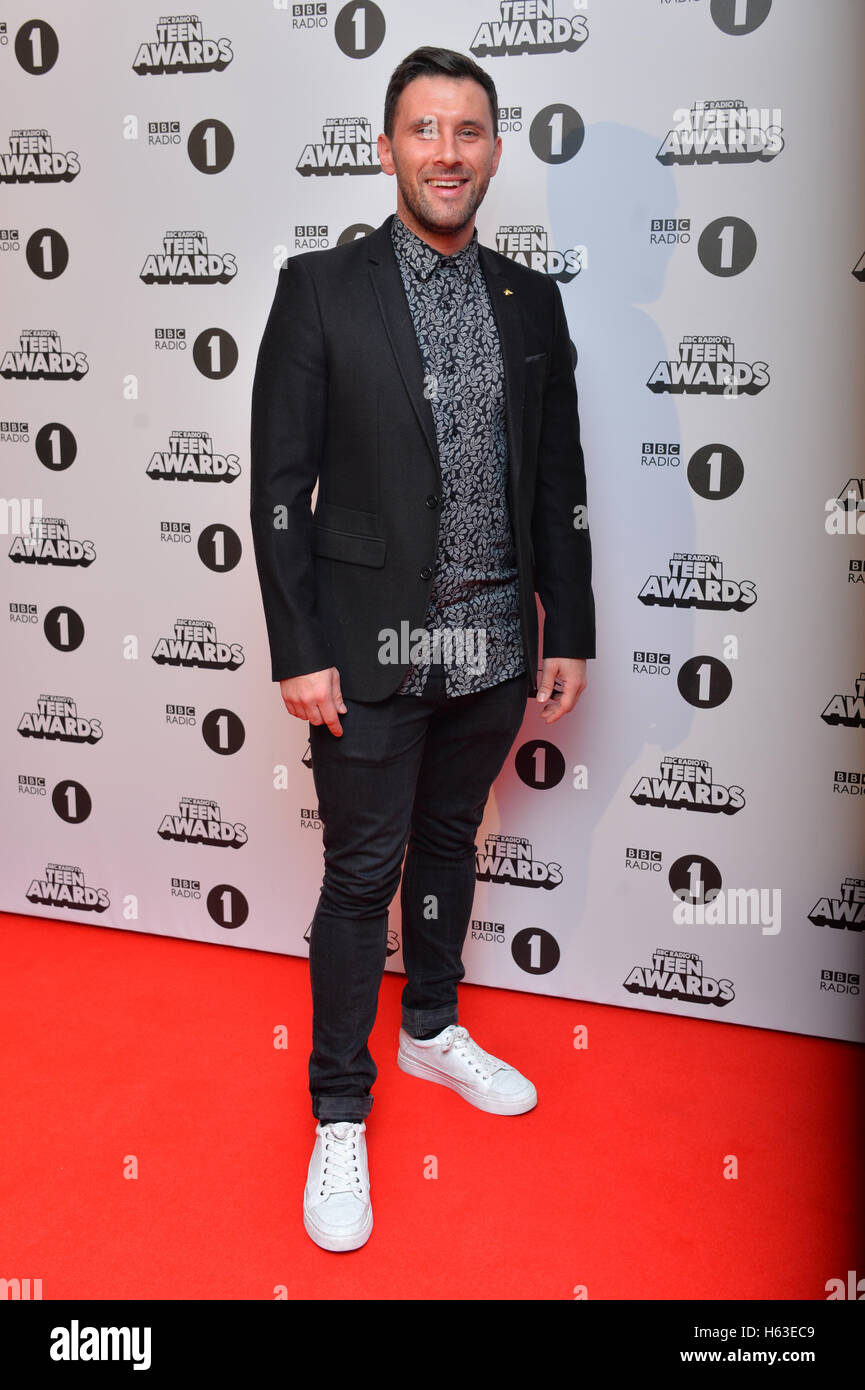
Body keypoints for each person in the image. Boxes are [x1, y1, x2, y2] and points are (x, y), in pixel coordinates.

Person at [249, 45, 595, 1252]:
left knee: (451, 840)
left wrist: (571, 622)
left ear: (494, 149)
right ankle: (339, 1107)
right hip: (368, 649)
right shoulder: (319, 288)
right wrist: (299, 645)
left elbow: (557, 477)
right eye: (424, 131)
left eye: (469, 132)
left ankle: (432, 1024)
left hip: (495, 648)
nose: (447, 154)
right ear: (386, 146)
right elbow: (281, 486)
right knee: (359, 876)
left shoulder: (528, 299)